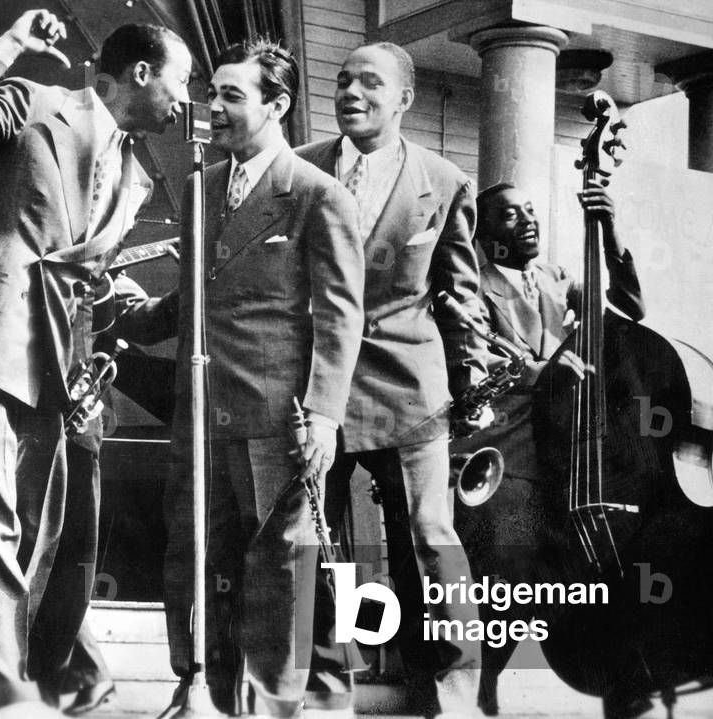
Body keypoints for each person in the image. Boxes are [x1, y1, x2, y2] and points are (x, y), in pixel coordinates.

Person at [0, 9, 191, 718]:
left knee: (37, 534)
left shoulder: (137, 180)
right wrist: (10, 44)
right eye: (180, 82)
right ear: (141, 72)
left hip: (53, 367)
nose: (185, 101)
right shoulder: (38, 103)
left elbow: (93, 285)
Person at [119, 38, 365, 719]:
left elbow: (342, 317)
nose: (215, 108)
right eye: (213, 92)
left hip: (274, 421)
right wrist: (133, 315)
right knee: (192, 560)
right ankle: (199, 690)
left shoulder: (317, 195)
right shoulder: (202, 188)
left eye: (233, 95)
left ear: (278, 105)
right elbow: (194, 296)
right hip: (198, 413)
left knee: (276, 575)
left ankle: (274, 703)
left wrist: (323, 414)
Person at [296, 41, 492, 717]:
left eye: (369, 83)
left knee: (430, 539)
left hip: (411, 388)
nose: (350, 91)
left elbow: (459, 296)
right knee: (310, 544)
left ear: (405, 98)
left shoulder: (444, 180)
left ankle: (449, 696)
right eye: (344, 80)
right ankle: (321, 695)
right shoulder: (296, 170)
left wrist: (470, 383)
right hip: (315, 388)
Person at [451, 181, 644, 717]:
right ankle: (484, 683)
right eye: (509, 217)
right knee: (508, 569)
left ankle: (619, 681)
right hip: (507, 447)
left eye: (530, 211)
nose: (526, 222)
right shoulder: (471, 285)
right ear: (486, 234)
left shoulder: (558, 277)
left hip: (567, 445)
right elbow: (475, 360)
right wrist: (544, 371)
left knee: (597, 563)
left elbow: (632, 308)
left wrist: (609, 233)